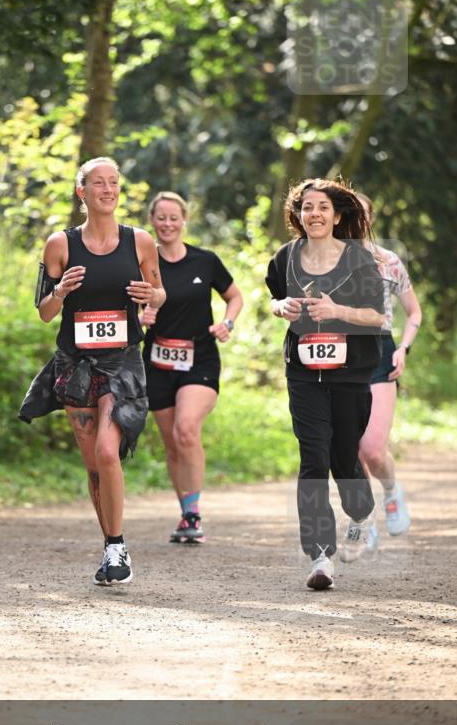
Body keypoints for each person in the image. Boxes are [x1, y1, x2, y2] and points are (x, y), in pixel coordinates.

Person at [19, 157, 166, 587]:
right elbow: (45, 312)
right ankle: (112, 548)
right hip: (76, 365)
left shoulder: (139, 241)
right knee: (94, 466)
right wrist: (61, 290)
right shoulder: (59, 245)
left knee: (107, 451)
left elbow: (160, 294)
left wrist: (151, 295)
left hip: (122, 361)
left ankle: (116, 546)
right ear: (81, 192)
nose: (108, 189)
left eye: (113, 182)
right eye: (98, 183)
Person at [265, 179, 385, 591]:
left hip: (351, 374)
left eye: (322, 208)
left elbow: (377, 316)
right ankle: (320, 555)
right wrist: (280, 306)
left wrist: (338, 310)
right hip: (303, 374)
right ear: (298, 215)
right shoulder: (285, 257)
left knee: (344, 458)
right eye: (307, 207)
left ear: (336, 216)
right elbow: (274, 298)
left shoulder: (358, 259)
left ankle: (361, 508)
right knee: (314, 457)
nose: (314, 214)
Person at [140, 192, 243, 543]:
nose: (167, 224)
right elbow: (128, 307)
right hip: (157, 363)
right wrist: (140, 317)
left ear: (184, 220)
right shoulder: (142, 263)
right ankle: (186, 513)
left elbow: (235, 296)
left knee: (186, 428)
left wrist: (227, 323)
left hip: (200, 359)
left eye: (174, 217)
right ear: (152, 221)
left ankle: (194, 513)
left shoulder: (205, 261)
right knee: (172, 443)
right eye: (161, 218)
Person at [356, 193, 422, 537]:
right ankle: (364, 518)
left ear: (370, 219)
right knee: (351, 449)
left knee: (372, 449)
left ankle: (392, 492)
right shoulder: (324, 260)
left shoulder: (388, 260)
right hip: (340, 353)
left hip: (380, 351)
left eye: (361, 214)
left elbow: (414, 312)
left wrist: (403, 349)